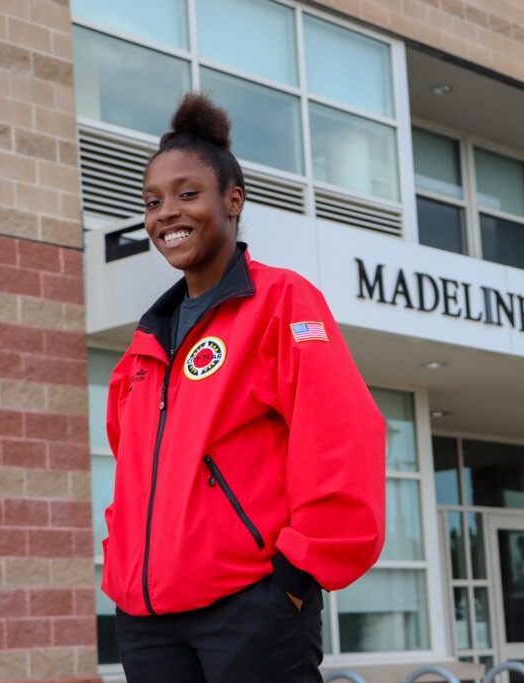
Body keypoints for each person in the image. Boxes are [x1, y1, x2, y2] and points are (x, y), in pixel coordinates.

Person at [101, 92, 386, 683]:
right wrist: (122, 566)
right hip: (148, 620)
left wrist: (296, 578)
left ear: (233, 200)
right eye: (152, 202)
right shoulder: (143, 345)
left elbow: (340, 436)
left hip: (250, 610)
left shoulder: (283, 302)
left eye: (186, 194)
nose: (165, 214)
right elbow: (132, 470)